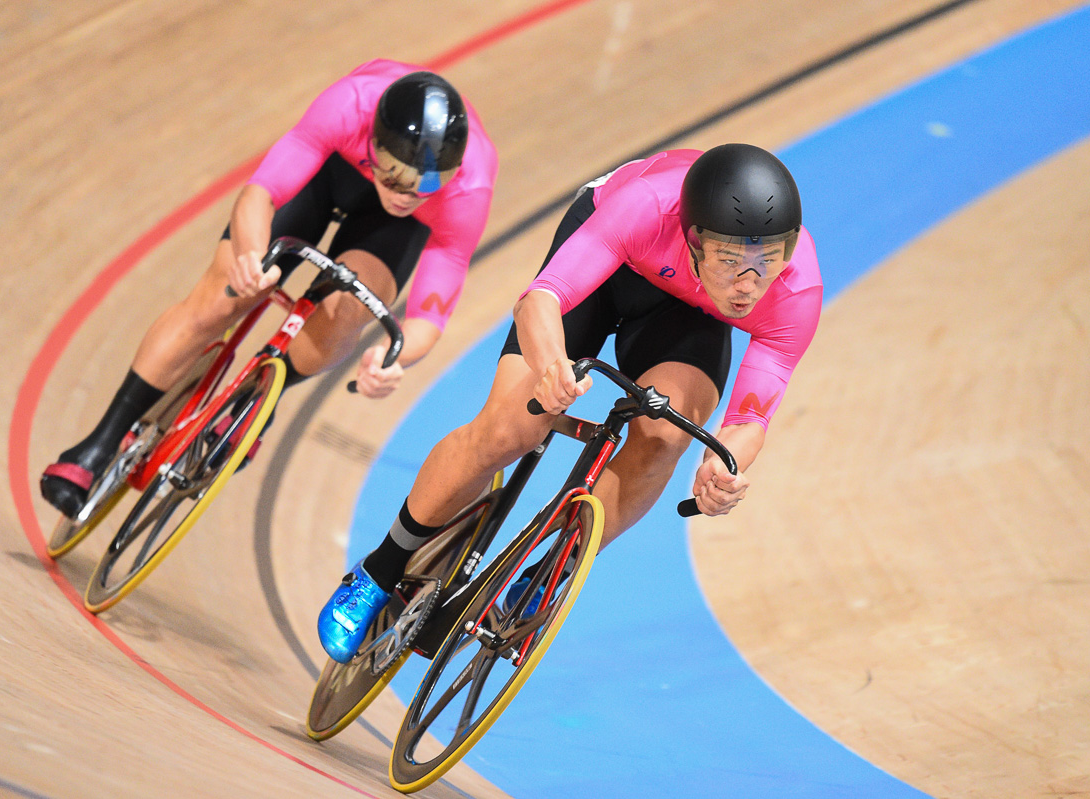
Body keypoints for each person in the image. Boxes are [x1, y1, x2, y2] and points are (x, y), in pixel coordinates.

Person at [316, 143, 822, 663]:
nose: (750, 284)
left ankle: (546, 572)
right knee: (510, 430)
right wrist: (555, 364)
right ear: (694, 239)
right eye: (732, 261)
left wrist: (722, 462)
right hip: (613, 267)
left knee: (667, 434)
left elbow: (749, 417)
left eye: (769, 261)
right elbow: (542, 300)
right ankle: (380, 569)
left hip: (689, 317)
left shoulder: (796, 289)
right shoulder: (645, 206)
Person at [40, 60, 498, 518]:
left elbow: (428, 317)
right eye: (394, 176)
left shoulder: (467, 191)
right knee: (219, 299)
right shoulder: (349, 106)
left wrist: (393, 358)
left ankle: (264, 395)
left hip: (388, 232)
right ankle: (99, 444)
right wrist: (249, 258)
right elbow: (260, 194)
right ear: (375, 144)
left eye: (425, 186)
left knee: (347, 311)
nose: (404, 195)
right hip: (330, 172)